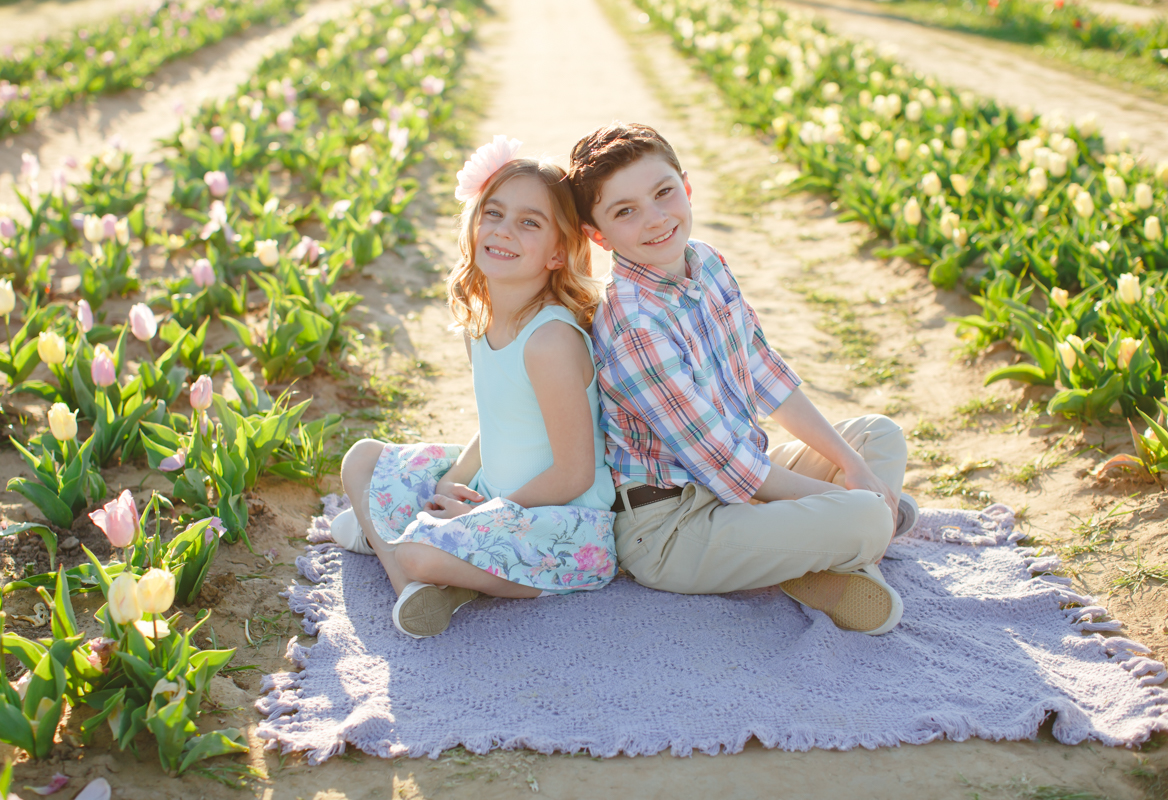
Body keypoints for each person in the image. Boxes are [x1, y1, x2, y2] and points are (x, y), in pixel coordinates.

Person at [567, 122, 917, 635]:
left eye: (664, 193)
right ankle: (836, 544)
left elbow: (764, 372)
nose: (656, 218)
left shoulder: (706, 263)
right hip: (674, 527)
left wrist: (851, 466)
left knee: (877, 436)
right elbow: (728, 465)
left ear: (686, 186)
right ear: (598, 235)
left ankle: (805, 559)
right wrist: (850, 501)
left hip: (740, 484)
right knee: (865, 515)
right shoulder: (634, 325)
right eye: (626, 212)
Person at [334, 136, 618, 639]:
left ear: (559, 252)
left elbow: (574, 474)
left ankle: (408, 566)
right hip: (494, 497)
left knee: (418, 548)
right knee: (361, 457)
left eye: (530, 222)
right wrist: (452, 483)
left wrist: (485, 512)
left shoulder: (550, 340)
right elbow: (497, 427)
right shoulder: (481, 324)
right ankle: (422, 584)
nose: (504, 231)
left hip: (560, 527)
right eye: (494, 213)